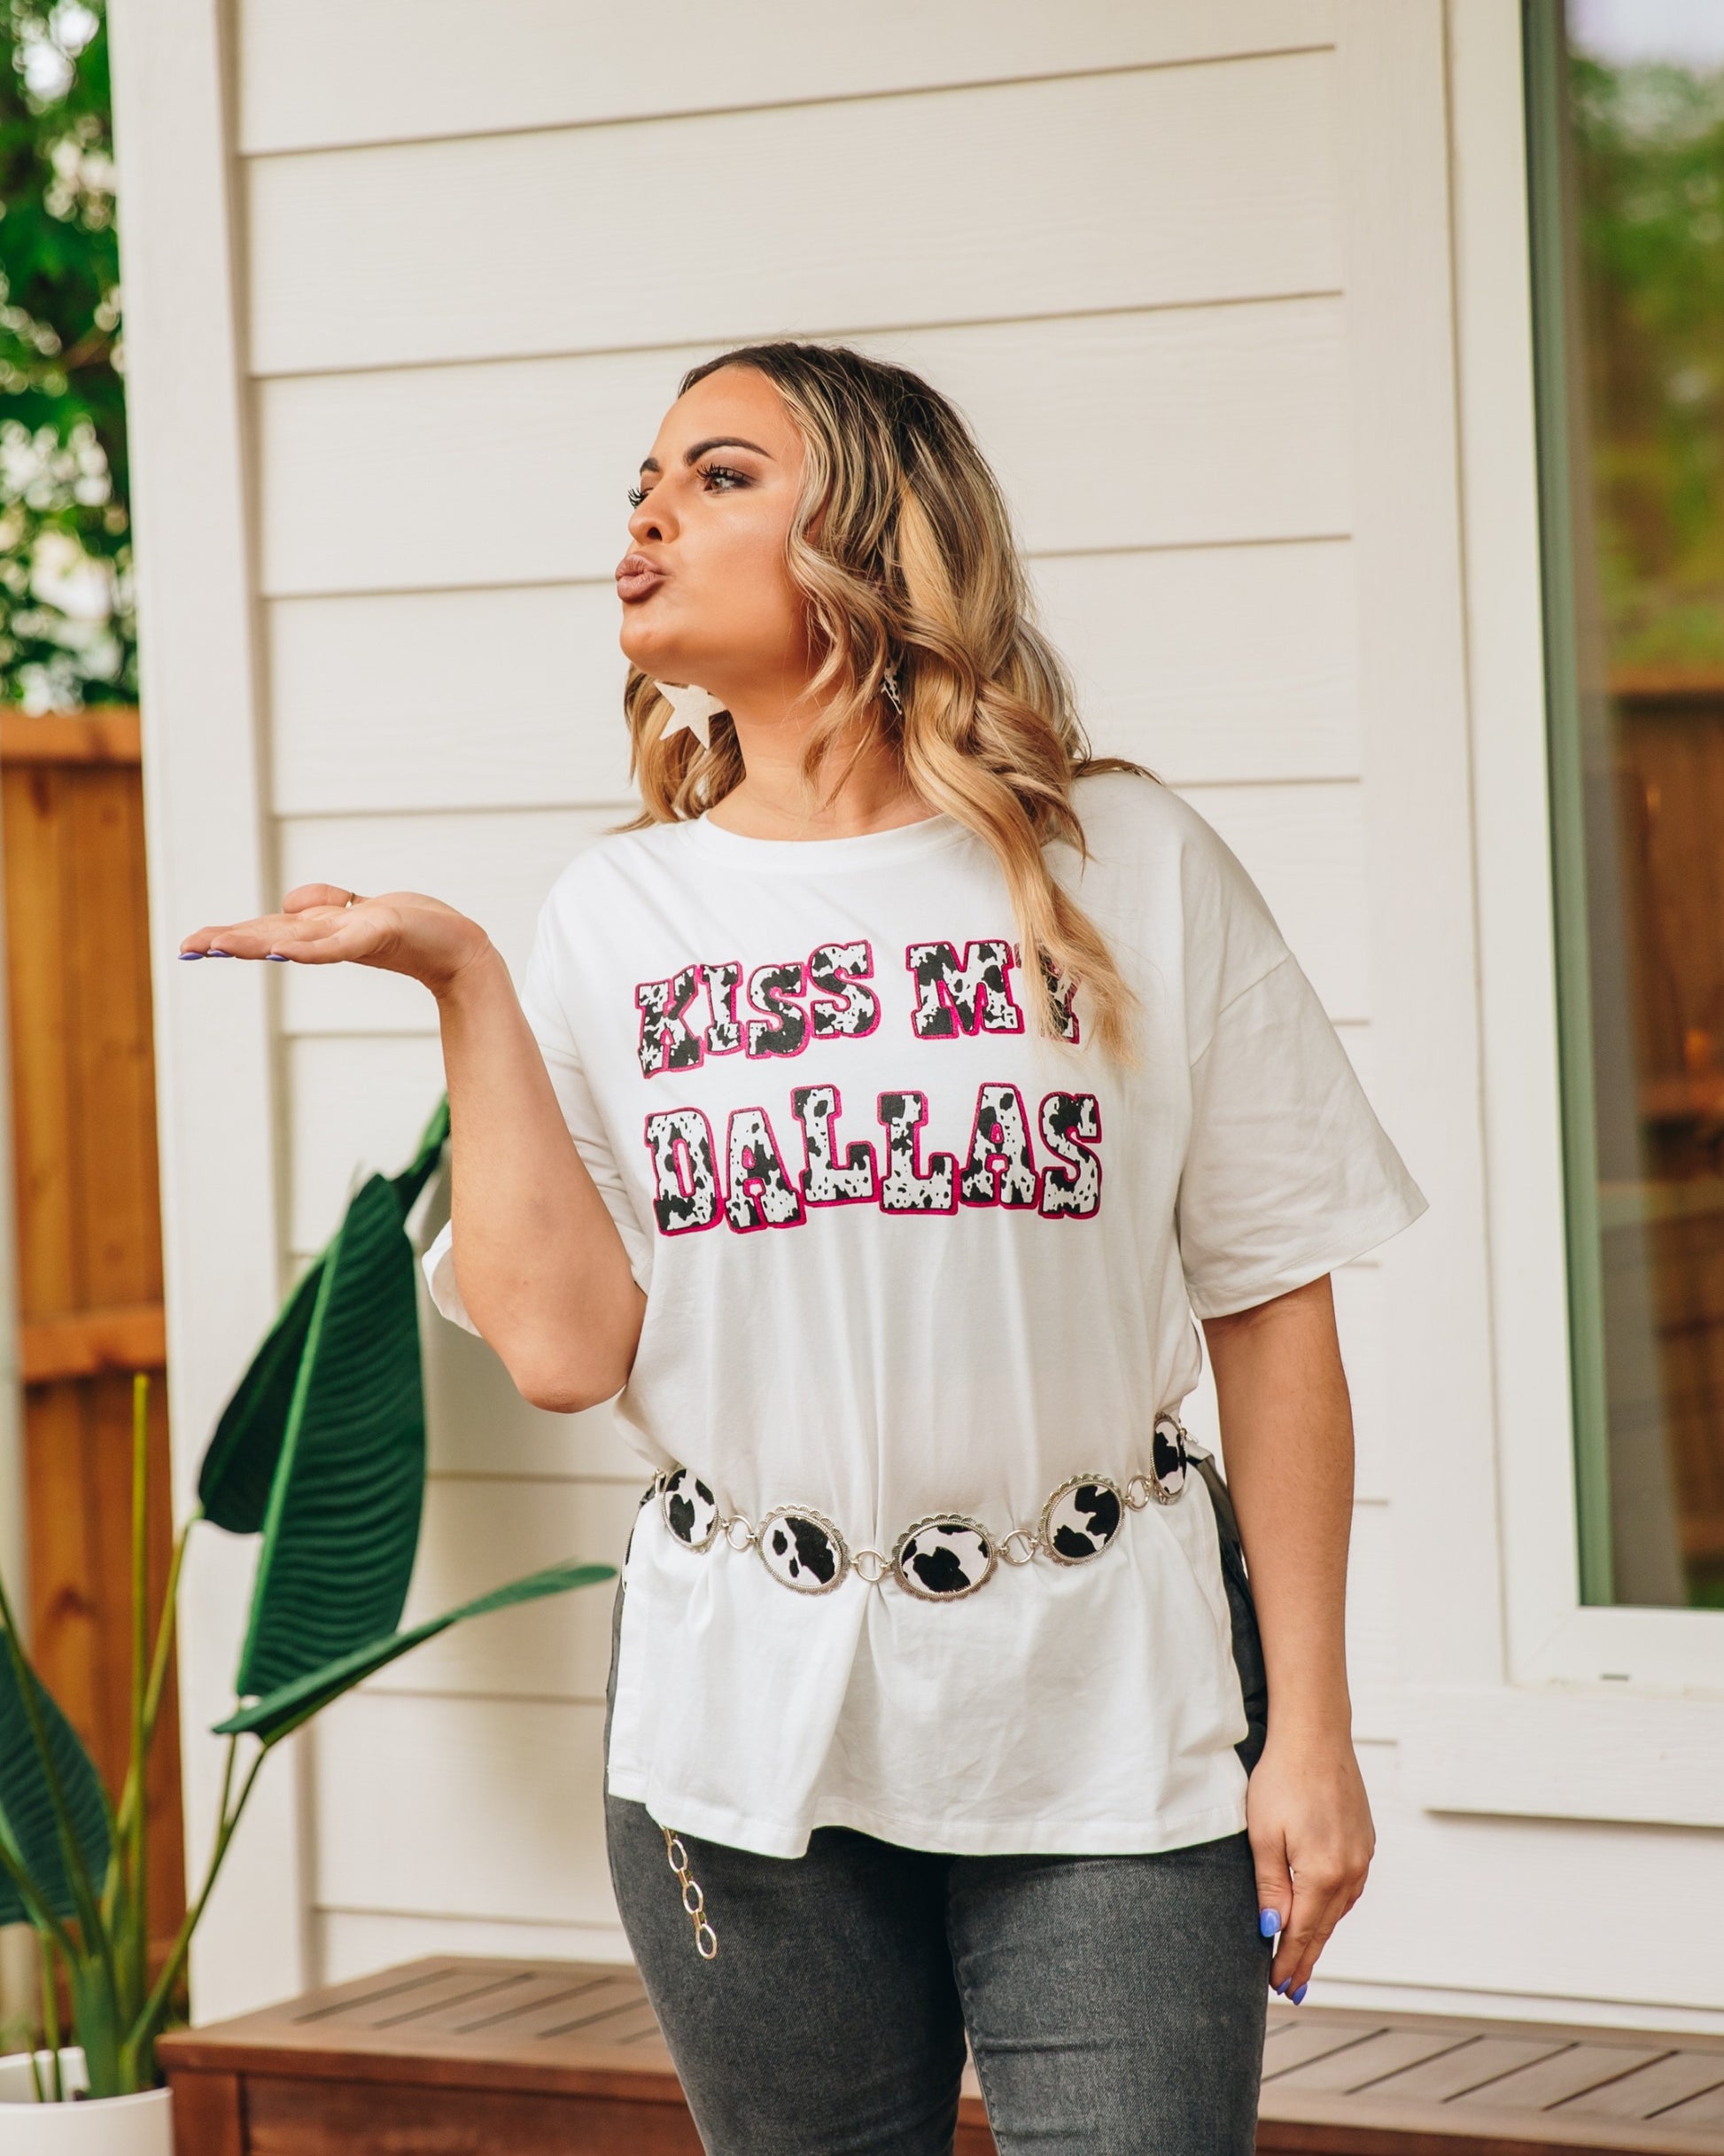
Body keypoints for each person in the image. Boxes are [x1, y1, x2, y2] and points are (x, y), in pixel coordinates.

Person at [181, 343, 1425, 2155]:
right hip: (736, 1729)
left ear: (874, 528)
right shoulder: (619, 912)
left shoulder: (1130, 860)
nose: (646, 516)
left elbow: (1270, 1301)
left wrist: (1309, 1725)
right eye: (640, 482)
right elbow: (562, 1352)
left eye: (719, 474)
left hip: (1112, 1700)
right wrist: (464, 980)